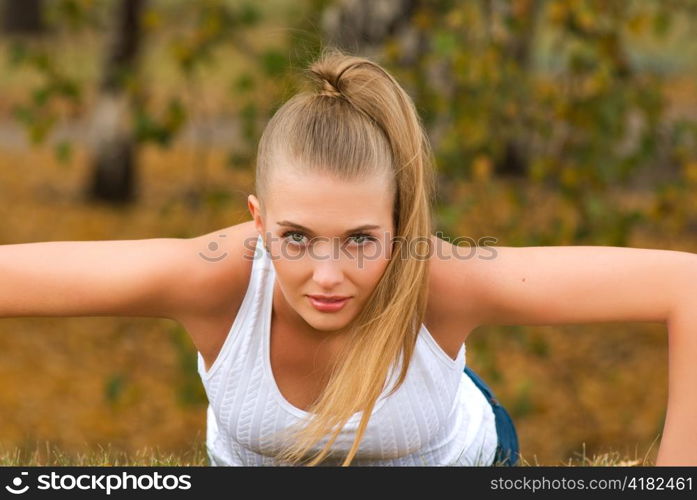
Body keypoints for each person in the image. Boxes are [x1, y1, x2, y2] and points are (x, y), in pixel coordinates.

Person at [1, 47, 695, 466]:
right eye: (295, 237)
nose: (327, 276)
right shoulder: (210, 278)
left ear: (399, 226)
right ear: (258, 219)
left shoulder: (441, 279)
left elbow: (682, 285)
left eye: (361, 239)